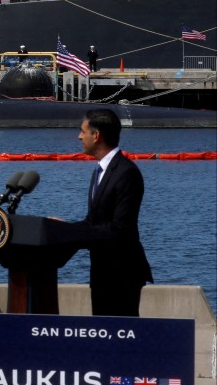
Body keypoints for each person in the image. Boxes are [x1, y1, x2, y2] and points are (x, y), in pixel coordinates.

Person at [75, 109, 152, 316]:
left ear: (96, 135)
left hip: (122, 274)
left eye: (83, 131)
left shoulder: (126, 173)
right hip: (101, 272)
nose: (79, 136)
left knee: (121, 338)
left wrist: (76, 235)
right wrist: (62, 229)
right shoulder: (98, 171)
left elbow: (121, 228)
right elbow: (93, 221)